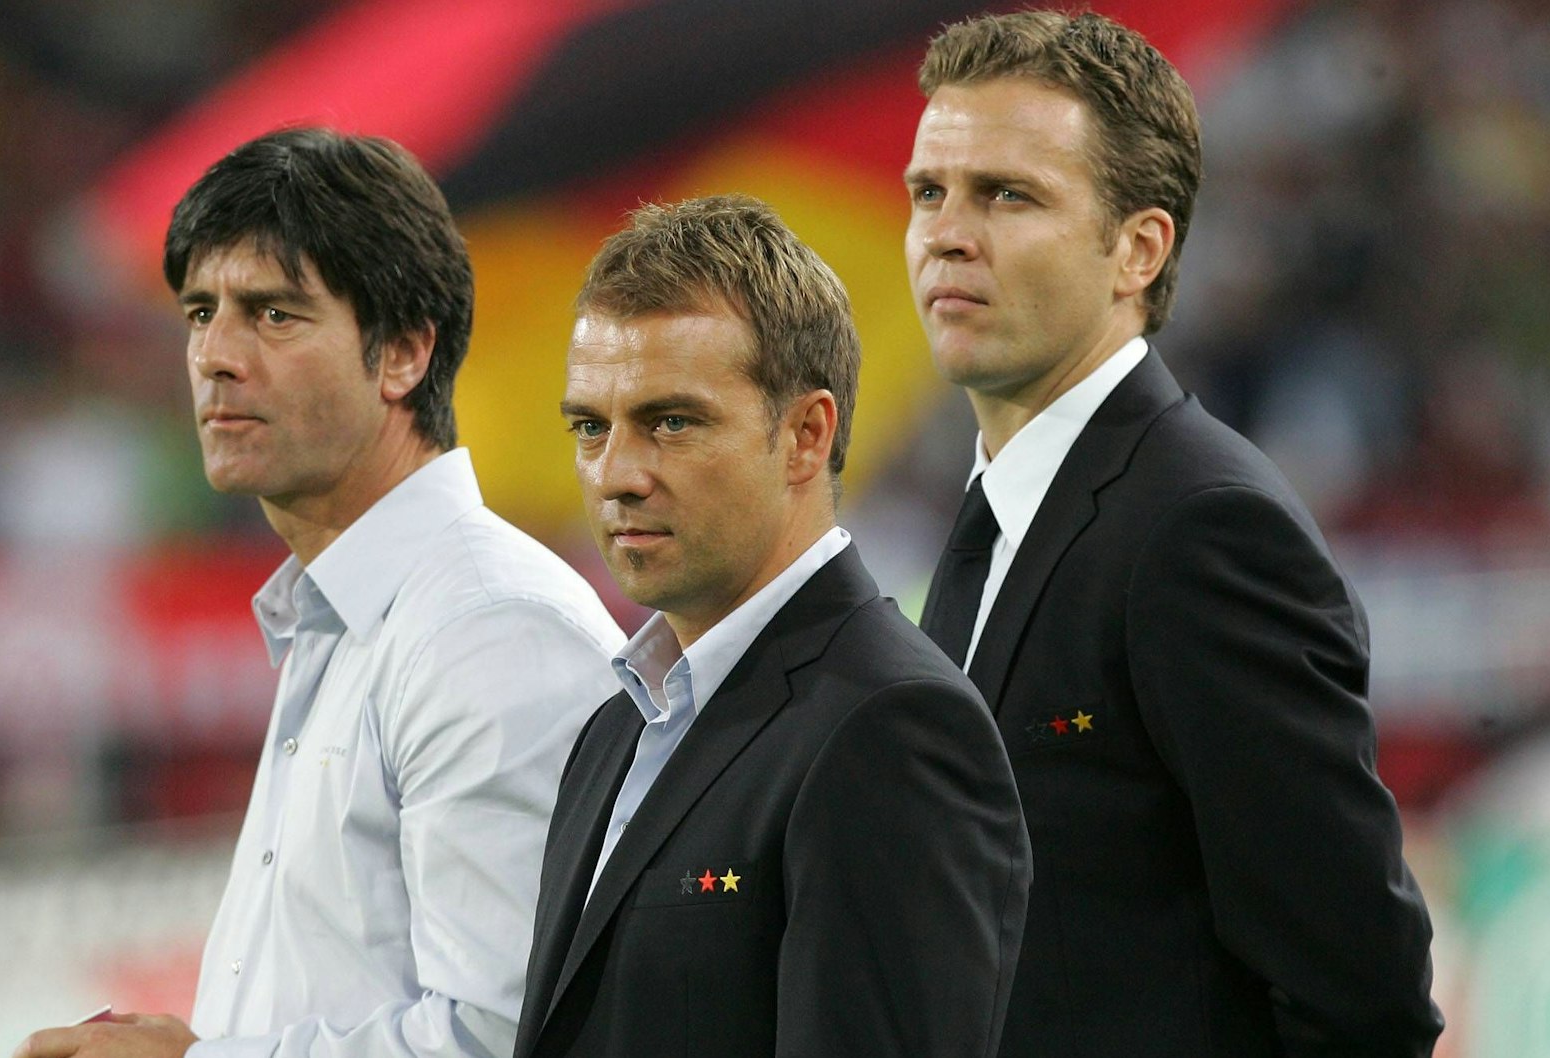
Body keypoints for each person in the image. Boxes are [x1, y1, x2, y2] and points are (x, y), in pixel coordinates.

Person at [13, 128, 622, 1058]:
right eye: (198, 313)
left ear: (403, 354)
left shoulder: (488, 630)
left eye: (273, 315)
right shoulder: (344, 617)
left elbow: (506, 1036)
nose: (215, 354)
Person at [905, 12, 1443, 1057]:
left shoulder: (1200, 529)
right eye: (930, 192)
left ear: (1136, 249)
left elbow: (1360, 987)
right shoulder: (992, 524)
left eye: (1006, 194)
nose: (945, 233)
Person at [515, 195, 1030, 1058]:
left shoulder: (893, 728)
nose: (616, 475)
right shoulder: (615, 729)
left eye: (670, 422)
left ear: (805, 436)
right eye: (590, 427)